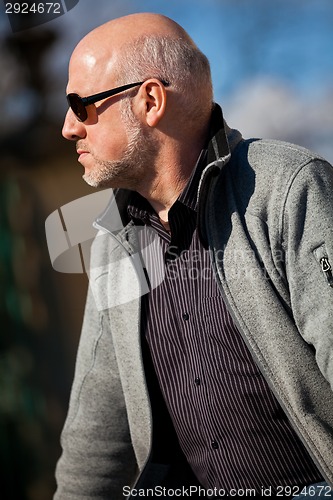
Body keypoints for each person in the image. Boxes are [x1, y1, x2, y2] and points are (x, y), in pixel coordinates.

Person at [54, 12, 333, 500]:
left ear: (150, 101)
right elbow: (96, 436)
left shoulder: (289, 190)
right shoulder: (114, 241)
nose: (68, 128)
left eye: (81, 105)